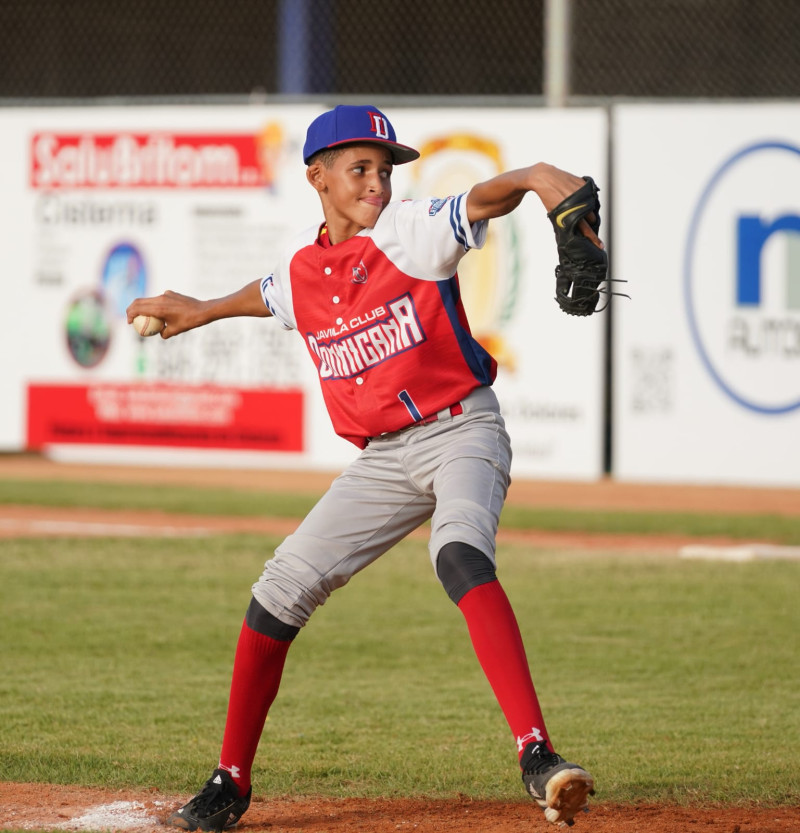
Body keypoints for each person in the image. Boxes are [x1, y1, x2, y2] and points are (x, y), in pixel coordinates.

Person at [127, 104, 602, 830]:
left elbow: (484, 198)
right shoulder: (301, 268)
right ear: (317, 177)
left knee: (459, 552)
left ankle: (538, 755)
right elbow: (270, 295)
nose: (376, 181)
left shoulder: (409, 232)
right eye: (359, 169)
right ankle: (230, 779)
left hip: (460, 429)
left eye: (383, 168)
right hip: (382, 458)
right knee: (279, 589)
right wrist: (201, 309)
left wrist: (539, 178)